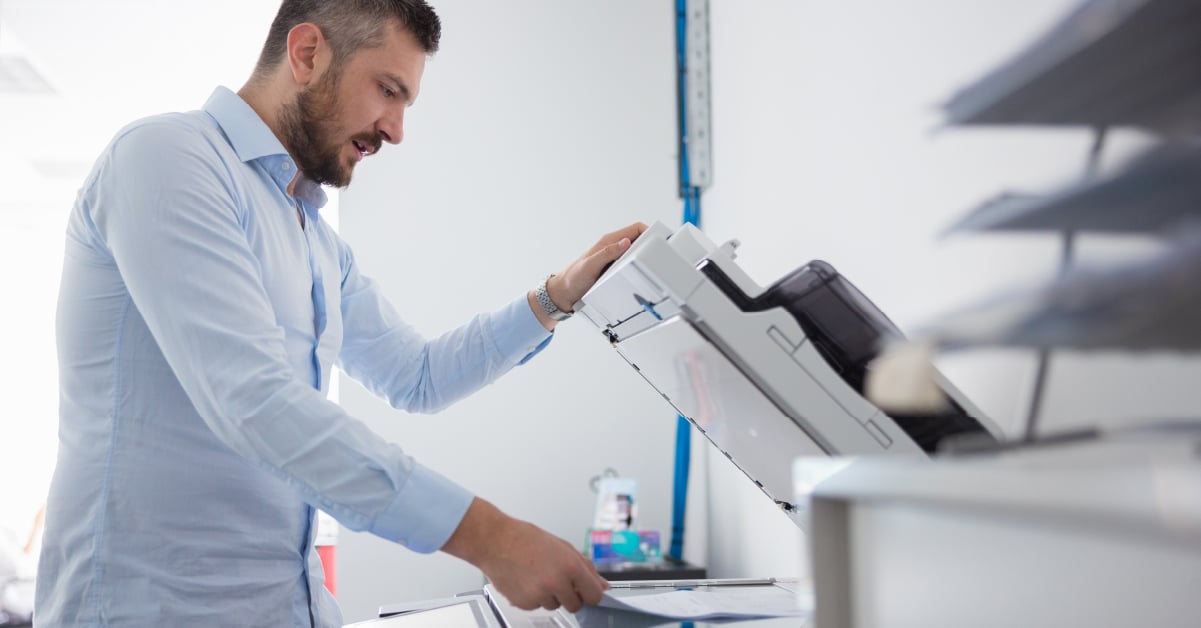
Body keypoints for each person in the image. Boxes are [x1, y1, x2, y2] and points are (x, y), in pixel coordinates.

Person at [36, 1, 646, 625]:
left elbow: (417, 375)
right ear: (307, 54)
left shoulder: (315, 240)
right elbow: (254, 402)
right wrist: (491, 537)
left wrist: (555, 296)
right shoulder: (167, 158)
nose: (397, 130)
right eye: (388, 90)